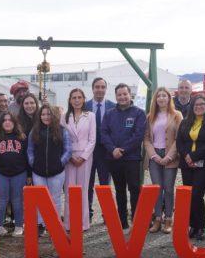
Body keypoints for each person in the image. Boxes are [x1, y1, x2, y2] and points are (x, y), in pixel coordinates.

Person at [100, 83, 147, 230]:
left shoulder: (139, 113)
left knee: (134, 189)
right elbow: (103, 133)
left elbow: (138, 135)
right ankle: (122, 220)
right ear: (115, 97)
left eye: (125, 94)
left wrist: (123, 150)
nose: (122, 97)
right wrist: (113, 149)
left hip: (131, 158)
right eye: (119, 95)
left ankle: (136, 219)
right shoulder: (109, 114)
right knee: (119, 190)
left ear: (130, 95)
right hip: (114, 158)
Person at [176, 94, 205, 240]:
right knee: (189, 195)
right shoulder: (184, 122)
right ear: (192, 107)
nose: (199, 107)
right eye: (196, 105)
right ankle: (193, 225)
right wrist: (186, 156)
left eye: (202, 104)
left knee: (197, 195)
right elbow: (179, 142)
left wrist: (193, 156)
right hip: (187, 164)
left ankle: (200, 226)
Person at [28, 104, 71, 236]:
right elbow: (30, 150)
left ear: (54, 115)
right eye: (43, 114)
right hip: (38, 172)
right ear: (40, 116)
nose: (46, 117)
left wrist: (60, 163)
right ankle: (41, 224)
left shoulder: (62, 130)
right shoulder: (34, 131)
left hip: (57, 172)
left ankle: (54, 224)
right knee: (41, 199)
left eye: (48, 114)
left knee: (55, 198)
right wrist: (33, 163)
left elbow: (68, 150)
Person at [143, 87, 182, 234]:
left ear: (169, 98)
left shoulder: (176, 115)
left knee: (168, 188)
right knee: (157, 189)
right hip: (155, 156)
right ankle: (158, 218)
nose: (161, 98)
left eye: (164, 96)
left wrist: (169, 157)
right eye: (158, 96)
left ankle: (168, 219)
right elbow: (146, 138)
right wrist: (153, 155)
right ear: (155, 99)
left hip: (170, 156)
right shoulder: (150, 116)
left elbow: (179, 138)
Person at [0, 112, 30, 237]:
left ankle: (19, 225)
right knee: (1, 200)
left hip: (19, 173)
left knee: (18, 200)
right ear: (0, 123)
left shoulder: (22, 137)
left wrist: (29, 175)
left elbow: (28, 157)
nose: (7, 122)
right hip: (1, 173)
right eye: (4, 120)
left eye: (10, 120)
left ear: (15, 123)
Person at [61, 88, 96, 231]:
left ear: (83, 99)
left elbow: (92, 139)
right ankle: (69, 223)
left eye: (79, 97)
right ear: (70, 100)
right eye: (74, 97)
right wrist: (68, 156)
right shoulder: (63, 116)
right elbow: (62, 138)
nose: (76, 100)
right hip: (69, 156)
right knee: (69, 190)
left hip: (85, 157)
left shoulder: (90, 116)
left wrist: (83, 157)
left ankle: (83, 223)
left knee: (83, 189)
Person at [86, 77, 116, 222]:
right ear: (92, 89)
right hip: (88, 152)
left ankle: (107, 214)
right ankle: (88, 214)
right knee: (88, 184)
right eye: (97, 87)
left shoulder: (113, 106)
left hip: (106, 152)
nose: (100, 89)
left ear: (106, 89)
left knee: (105, 184)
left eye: (102, 87)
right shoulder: (84, 106)